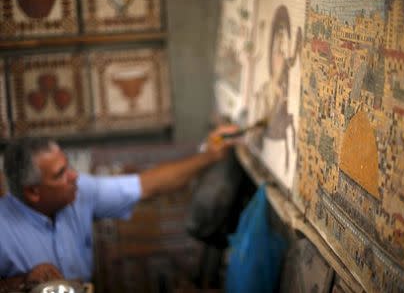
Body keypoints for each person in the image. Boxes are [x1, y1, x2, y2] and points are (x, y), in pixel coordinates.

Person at [0, 125, 238, 292]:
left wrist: (209, 155)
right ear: (33, 192)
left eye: (68, 165)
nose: (73, 176)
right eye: (60, 174)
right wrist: (23, 282)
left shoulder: (79, 191)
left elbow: (146, 185)